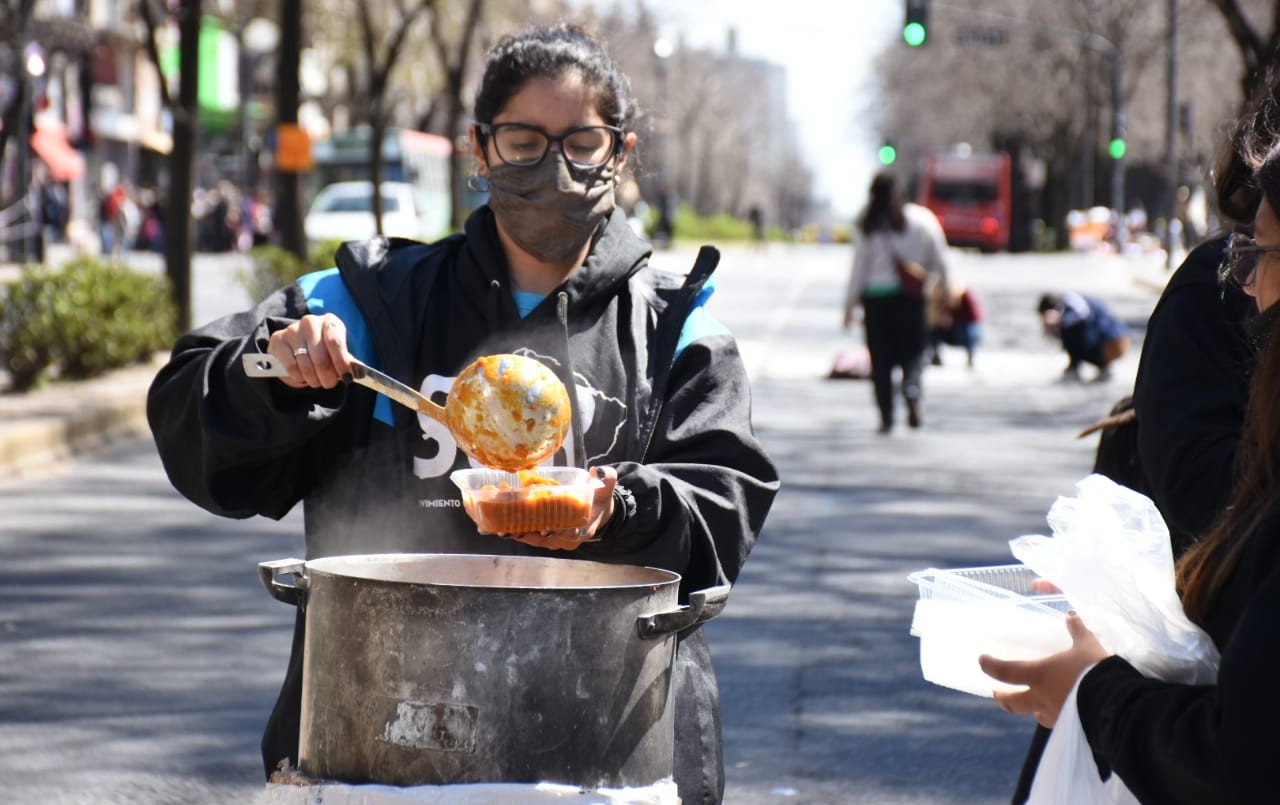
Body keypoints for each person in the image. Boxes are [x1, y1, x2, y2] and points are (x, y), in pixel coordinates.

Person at [145, 24, 779, 805]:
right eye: (523, 142)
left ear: (621, 152)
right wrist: (276, 371)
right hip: (380, 742)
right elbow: (188, 410)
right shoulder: (368, 304)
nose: (554, 167)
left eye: (582, 143)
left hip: (605, 754)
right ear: (479, 150)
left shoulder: (674, 331)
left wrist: (616, 507)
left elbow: (724, 504)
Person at [1007, 61, 1278, 805]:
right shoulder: (1212, 297)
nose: (1251, 281)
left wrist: (1096, 692)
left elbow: (1238, 759)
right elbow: (1204, 496)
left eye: (1262, 257)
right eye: (1248, 256)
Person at [842, 170, 949, 433]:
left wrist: (849, 306)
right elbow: (940, 260)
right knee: (913, 353)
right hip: (910, 299)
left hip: (876, 301)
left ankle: (886, 416)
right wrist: (944, 293)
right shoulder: (922, 220)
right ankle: (912, 388)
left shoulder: (868, 226)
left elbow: (858, 270)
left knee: (881, 361)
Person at [1036, 291, 1130, 383]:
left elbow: (1081, 315)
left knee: (1071, 333)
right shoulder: (1075, 302)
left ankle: (1077, 369)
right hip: (1117, 339)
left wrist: (1059, 321)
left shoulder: (1072, 303)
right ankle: (1100, 368)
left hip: (1113, 341)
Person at [927, 281, 982, 368]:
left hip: (967, 331)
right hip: (959, 331)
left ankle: (970, 357)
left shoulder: (964, 298)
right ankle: (935, 357)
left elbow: (975, 317)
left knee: (968, 330)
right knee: (934, 330)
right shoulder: (945, 302)